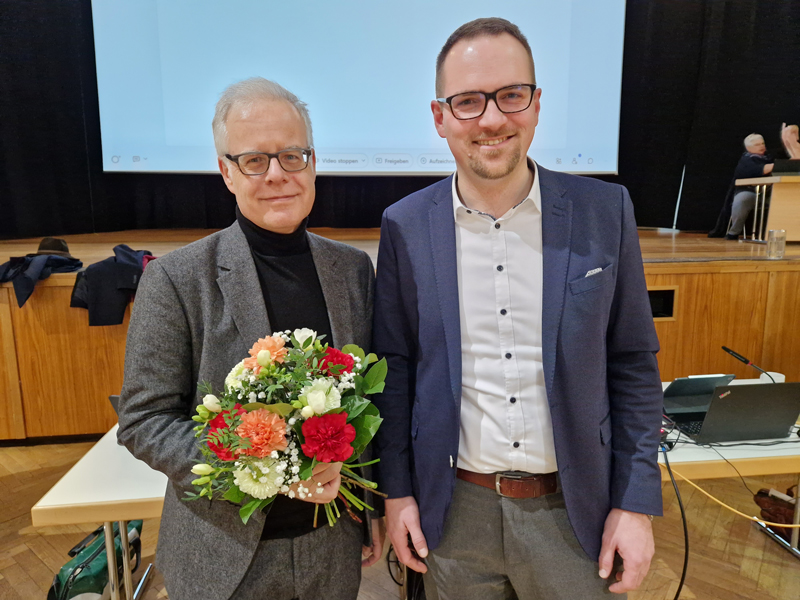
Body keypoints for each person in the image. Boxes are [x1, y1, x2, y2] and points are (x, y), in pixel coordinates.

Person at [372, 18, 663, 599]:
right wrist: (397, 493)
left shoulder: (605, 211)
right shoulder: (404, 226)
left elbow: (633, 364)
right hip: (453, 516)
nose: (492, 119)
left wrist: (635, 503)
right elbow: (395, 371)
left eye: (511, 95)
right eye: (468, 101)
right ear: (440, 117)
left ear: (536, 104)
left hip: (577, 511)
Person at [117, 77, 383, 600]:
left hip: (331, 547)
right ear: (226, 172)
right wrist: (266, 470)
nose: (278, 176)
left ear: (313, 161)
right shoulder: (176, 279)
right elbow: (144, 420)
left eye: (292, 156)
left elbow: (365, 406)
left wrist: (368, 508)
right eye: (255, 161)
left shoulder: (352, 270)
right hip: (222, 553)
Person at [723, 133, 774, 240]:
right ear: (748, 148)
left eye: (762, 143)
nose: (761, 146)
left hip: (769, 192)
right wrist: (779, 166)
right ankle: (734, 232)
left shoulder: (770, 158)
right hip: (750, 191)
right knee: (742, 200)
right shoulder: (746, 160)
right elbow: (761, 169)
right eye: (757, 145)